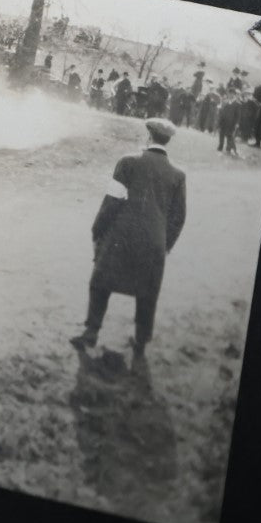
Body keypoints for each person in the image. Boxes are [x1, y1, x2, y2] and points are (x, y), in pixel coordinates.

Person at [71, 117, 187, 360]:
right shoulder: (178, 175)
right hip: (154, 243)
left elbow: (111, 202)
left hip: (120, 236)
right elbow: (179, 217)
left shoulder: (128, 162)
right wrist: (165, 245)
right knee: (148, 292)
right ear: (167, 141)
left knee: (100, 281)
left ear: (148, 136)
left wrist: (97, 230)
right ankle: (141, 343)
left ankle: (91, 331)